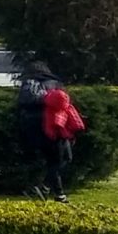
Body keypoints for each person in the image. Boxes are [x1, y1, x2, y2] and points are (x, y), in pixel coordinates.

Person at [39, 73, 87, 201]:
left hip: (51, 137)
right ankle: (49, 187)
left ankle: (55, 192)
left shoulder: (49, 106)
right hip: (59, 138)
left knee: (55, 164)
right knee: (61, 162)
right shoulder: (62, 106)